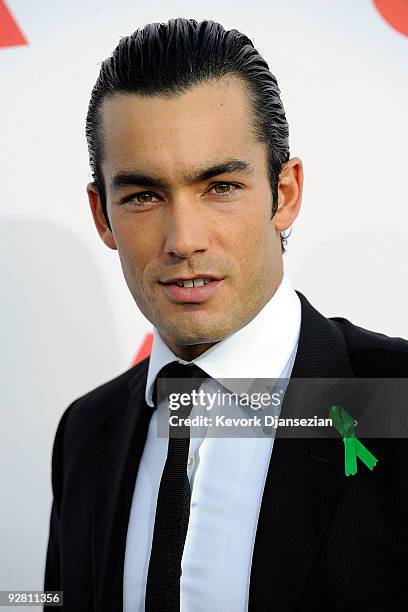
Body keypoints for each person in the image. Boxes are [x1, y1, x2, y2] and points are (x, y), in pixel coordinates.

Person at [44, 17, 408, 611]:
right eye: (143, 196)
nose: (183, 239)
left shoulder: (395, 400)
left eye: (220, 186)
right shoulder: (86, 433)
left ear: (284, 193)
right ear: (103, 216)